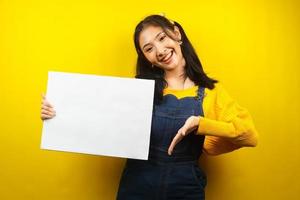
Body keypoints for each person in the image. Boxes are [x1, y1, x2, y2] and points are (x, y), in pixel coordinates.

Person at [41, 14, 259, 200]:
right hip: (137, 186)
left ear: (177, 34)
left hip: (185, 188)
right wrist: (57, 115)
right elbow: (97, 122)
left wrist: (201, 124)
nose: (160, 50)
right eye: (149, 48)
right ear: (147, 59)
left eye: (162, 38)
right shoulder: (138, 91)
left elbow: (249, 135)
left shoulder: (211, 92)